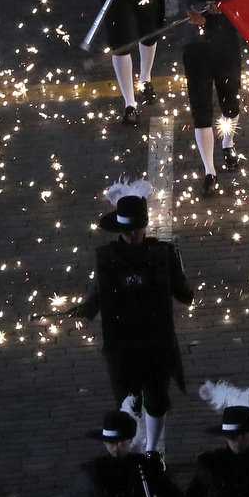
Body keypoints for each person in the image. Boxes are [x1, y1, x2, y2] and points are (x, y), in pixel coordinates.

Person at [71, 183, 193, 460]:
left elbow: (184, 295)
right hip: (122, 344)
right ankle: (133, 451)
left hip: (156, 342)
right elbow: (98, 291)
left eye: (137, 228)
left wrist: (184, 283)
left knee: (157, 400)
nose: (133, 234)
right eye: (128, 230)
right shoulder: (108, 258)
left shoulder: (162, 253)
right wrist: (86, 308)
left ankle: (151, 450)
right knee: (128, 401)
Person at [172, 0, 243, 198]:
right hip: (196, 50)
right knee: (201, 110)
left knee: (230, 104)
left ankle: (228, 143)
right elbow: (185, 2)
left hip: (225, 48)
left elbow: (238, 6)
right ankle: (209, 170)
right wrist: (201, 9)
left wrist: (218, 14)